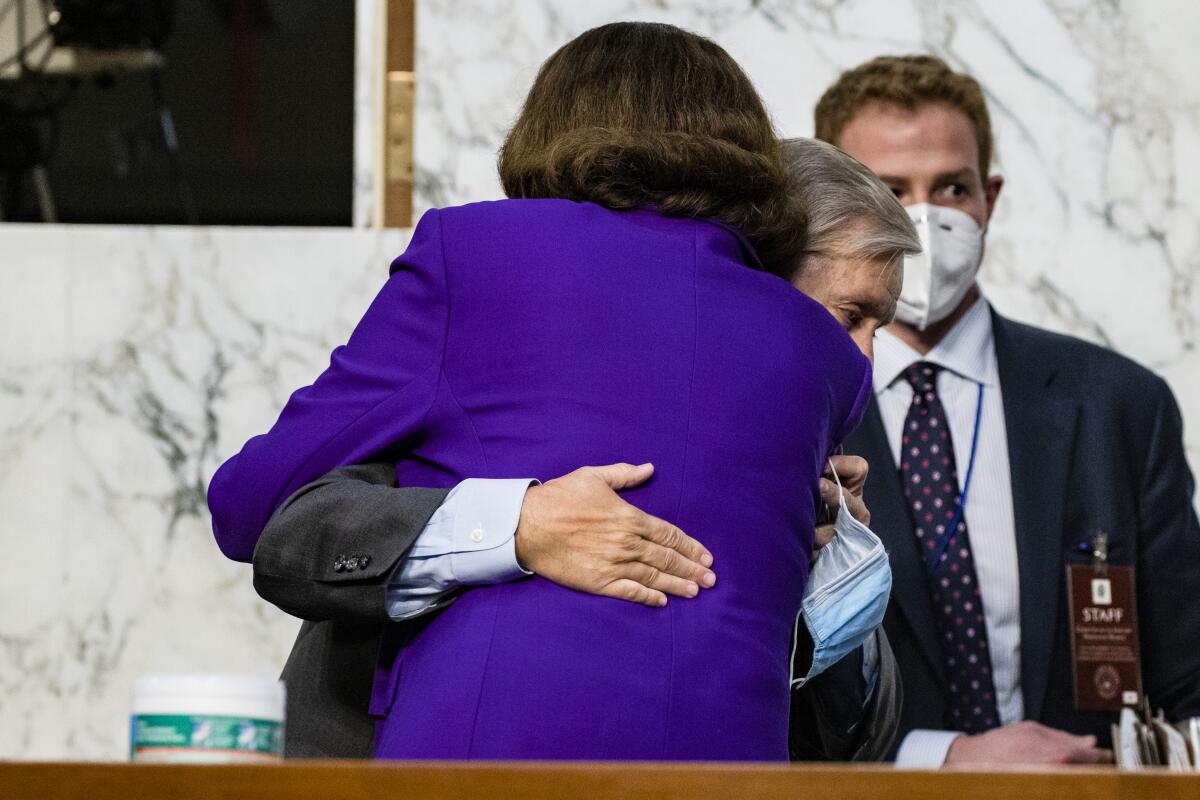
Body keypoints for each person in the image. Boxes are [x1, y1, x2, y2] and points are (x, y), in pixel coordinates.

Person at [209, 23, 879, 761]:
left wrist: (501, 518)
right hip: (729, 765)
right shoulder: (819, 350)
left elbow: (252, 502)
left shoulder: (477, 255)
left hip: (488, 751)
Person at [813, 54, 1200, 766]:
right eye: (890, 190)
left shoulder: (1120, 405)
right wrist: (943, 758)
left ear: (989, 198)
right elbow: (777, 686)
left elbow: (1186, 678)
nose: (922, 218)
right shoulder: (793, 410)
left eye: (951, 187)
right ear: (834, 208)